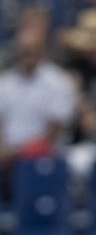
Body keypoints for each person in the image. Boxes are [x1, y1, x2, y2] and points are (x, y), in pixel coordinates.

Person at [0, 29, 78, 181]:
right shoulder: (5, 82)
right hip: (6, 154)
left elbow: (53, 132)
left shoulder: (59, 81)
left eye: (32, 49)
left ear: (43, 51)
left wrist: (17, 152)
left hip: (45, 153)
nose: (27, 53)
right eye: (23, 49)